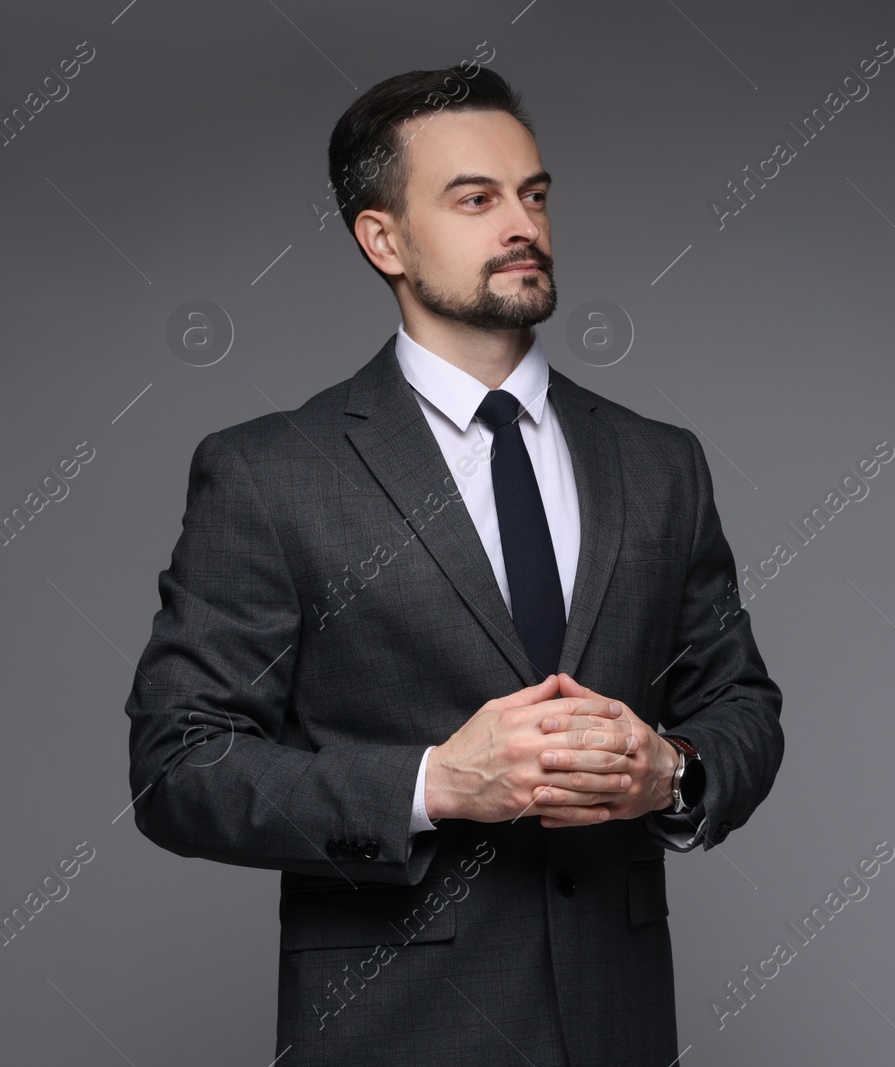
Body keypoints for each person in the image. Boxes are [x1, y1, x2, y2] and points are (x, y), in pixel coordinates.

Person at [124, 63, 783, 1066]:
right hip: (394, 1033)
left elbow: (740, 704)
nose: (520, 223)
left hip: (619, 1026)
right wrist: (435, 782)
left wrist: (672, 773)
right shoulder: (268, 472)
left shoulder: (658, 462)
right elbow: (179, 766)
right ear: (382, 238)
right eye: (474, 199)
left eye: (534, 194)